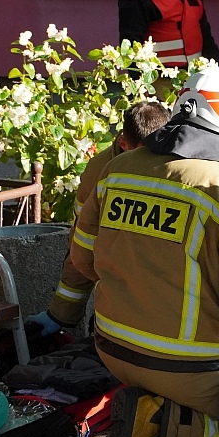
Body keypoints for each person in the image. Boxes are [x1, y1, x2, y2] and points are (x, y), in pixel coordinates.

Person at [69, 67, 219, 437]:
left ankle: (155, 406)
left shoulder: (117, 169)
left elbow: (83, 260)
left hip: (113, 349)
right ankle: (150, 430)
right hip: (186, 366)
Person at [31, 100, 171, 334]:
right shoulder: (99, 173)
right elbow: (82, 246)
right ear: (124, 144)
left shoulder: (176, 153)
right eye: (143, 154)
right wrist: (60, 315)